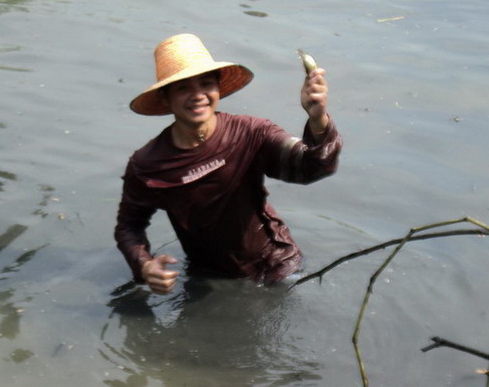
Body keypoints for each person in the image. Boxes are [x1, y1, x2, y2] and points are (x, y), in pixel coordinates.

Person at [115, 34, 342, 294]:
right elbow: (129, 227)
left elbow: (314, 167)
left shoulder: (250, 133)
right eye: (183, 88)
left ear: (218, 89)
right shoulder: (148, 164)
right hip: (208, 275)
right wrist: (145, 267)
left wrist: (317, 118)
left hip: (278, 267)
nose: (198, 95)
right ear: (165, 98)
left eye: (206, 84)